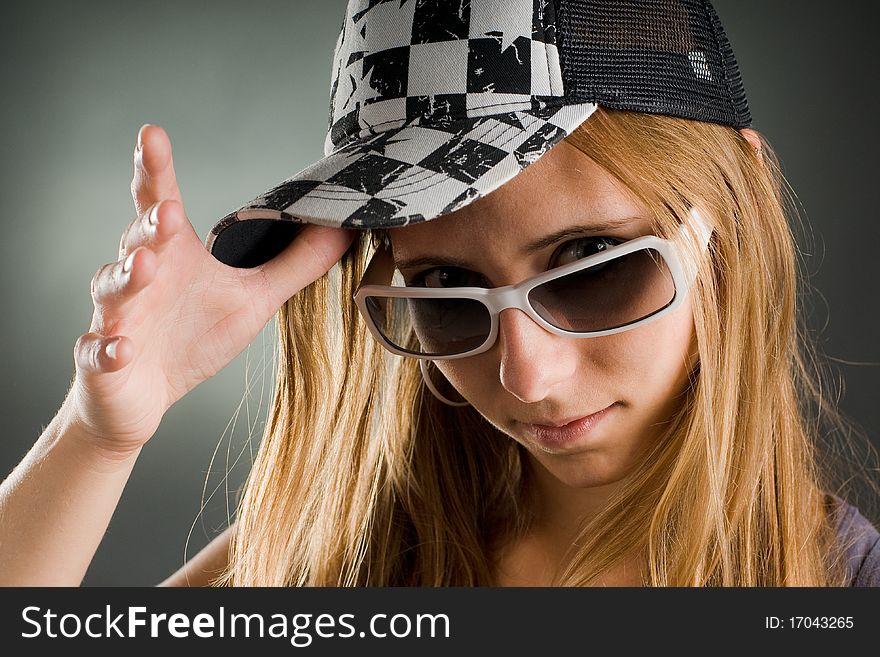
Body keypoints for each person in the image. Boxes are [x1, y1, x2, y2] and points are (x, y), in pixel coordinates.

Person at [1, 0, 878, 587]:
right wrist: (98, 434)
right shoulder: (349, 559)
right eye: (446, 291)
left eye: (595, 264)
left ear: (727, 217)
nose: (526, 376)